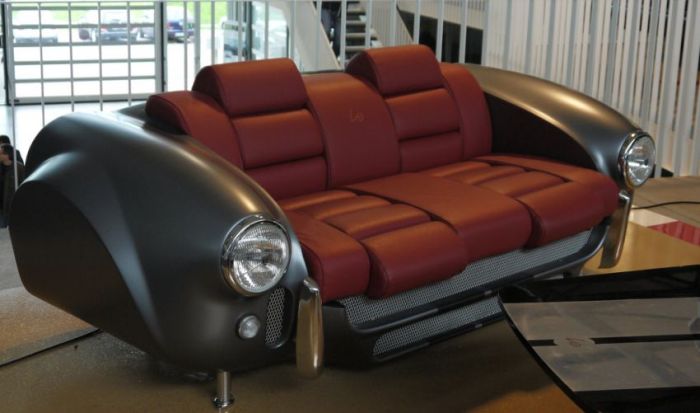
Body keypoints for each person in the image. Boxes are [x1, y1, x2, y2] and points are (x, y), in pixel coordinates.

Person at [0, 143, 25, 228]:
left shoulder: (18, 168)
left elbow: (23, 185)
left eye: (0, 153)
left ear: (6, 155)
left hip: (12, 206)